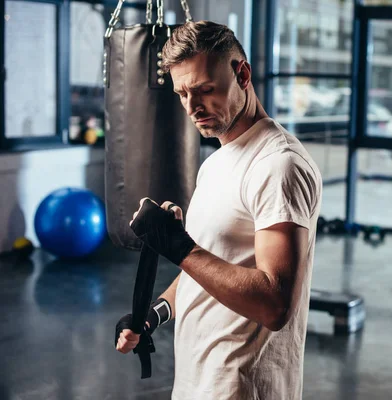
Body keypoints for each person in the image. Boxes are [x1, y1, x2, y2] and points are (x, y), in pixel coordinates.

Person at [114, 20, 323, 400]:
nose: (193, 108)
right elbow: (211, 263)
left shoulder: (278, 165)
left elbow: (276, 304)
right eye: (182, 94)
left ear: (242, 73)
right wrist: (155, 312)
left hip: (241, 387)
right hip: (198, 380)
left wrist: (180, 248)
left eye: (205, 90)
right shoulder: (217, 161)